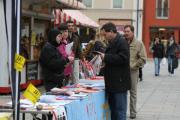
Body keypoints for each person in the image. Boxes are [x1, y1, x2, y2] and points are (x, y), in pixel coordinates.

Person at [98, 22, 131, 120]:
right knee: (113, 110)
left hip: (119, 83)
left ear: (112, 32)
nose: (104, 37)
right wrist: (105, 63)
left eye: (105, 34)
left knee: (119, 111)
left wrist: (106, 57)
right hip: (113, 83)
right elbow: (114, 59)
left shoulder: (121, 42)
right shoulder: (112, 42)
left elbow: (123, 58)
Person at [124, 25, 147, 119]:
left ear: (132, 32)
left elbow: (143, 58)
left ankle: (133, 113)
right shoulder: (122, 42)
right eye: (125, 31)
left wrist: (134, 66)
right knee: (122, 92)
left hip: (133, 72)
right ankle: (122, 112)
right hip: (122, 71)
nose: (125, 33)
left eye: (127, 31)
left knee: (133, 93)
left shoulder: (138, 43)